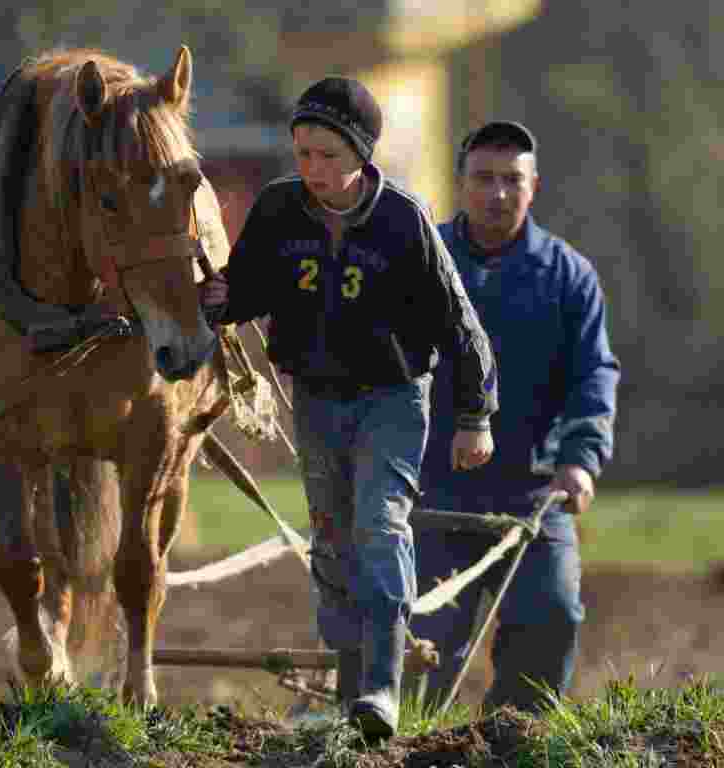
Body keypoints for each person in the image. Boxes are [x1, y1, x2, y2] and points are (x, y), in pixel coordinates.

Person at [199, 77, 499, 739]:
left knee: (380, 526)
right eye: (303, 153)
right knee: (332, 542)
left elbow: (459, 325)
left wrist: (476, 414)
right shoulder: (280, 210)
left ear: (362, 154)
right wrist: (218, 298)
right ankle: (347, 689)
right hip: (316, 397)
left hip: (392, 397)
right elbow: (249, 289)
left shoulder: (403, 220)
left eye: (328, 155)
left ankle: (382, 689)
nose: (313, 169)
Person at [408, 121, 621, 713]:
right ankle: (406, 748)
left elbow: (593, 376)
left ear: (535, 187)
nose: (497, 193)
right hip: (432, 491)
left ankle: (513, 742)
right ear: (461, 184)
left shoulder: (569, 276)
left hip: (533, 493)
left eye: (512, 180)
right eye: (484, 179)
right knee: (421, 646)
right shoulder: (422, 263)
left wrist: (580, 461)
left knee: (551, 616)